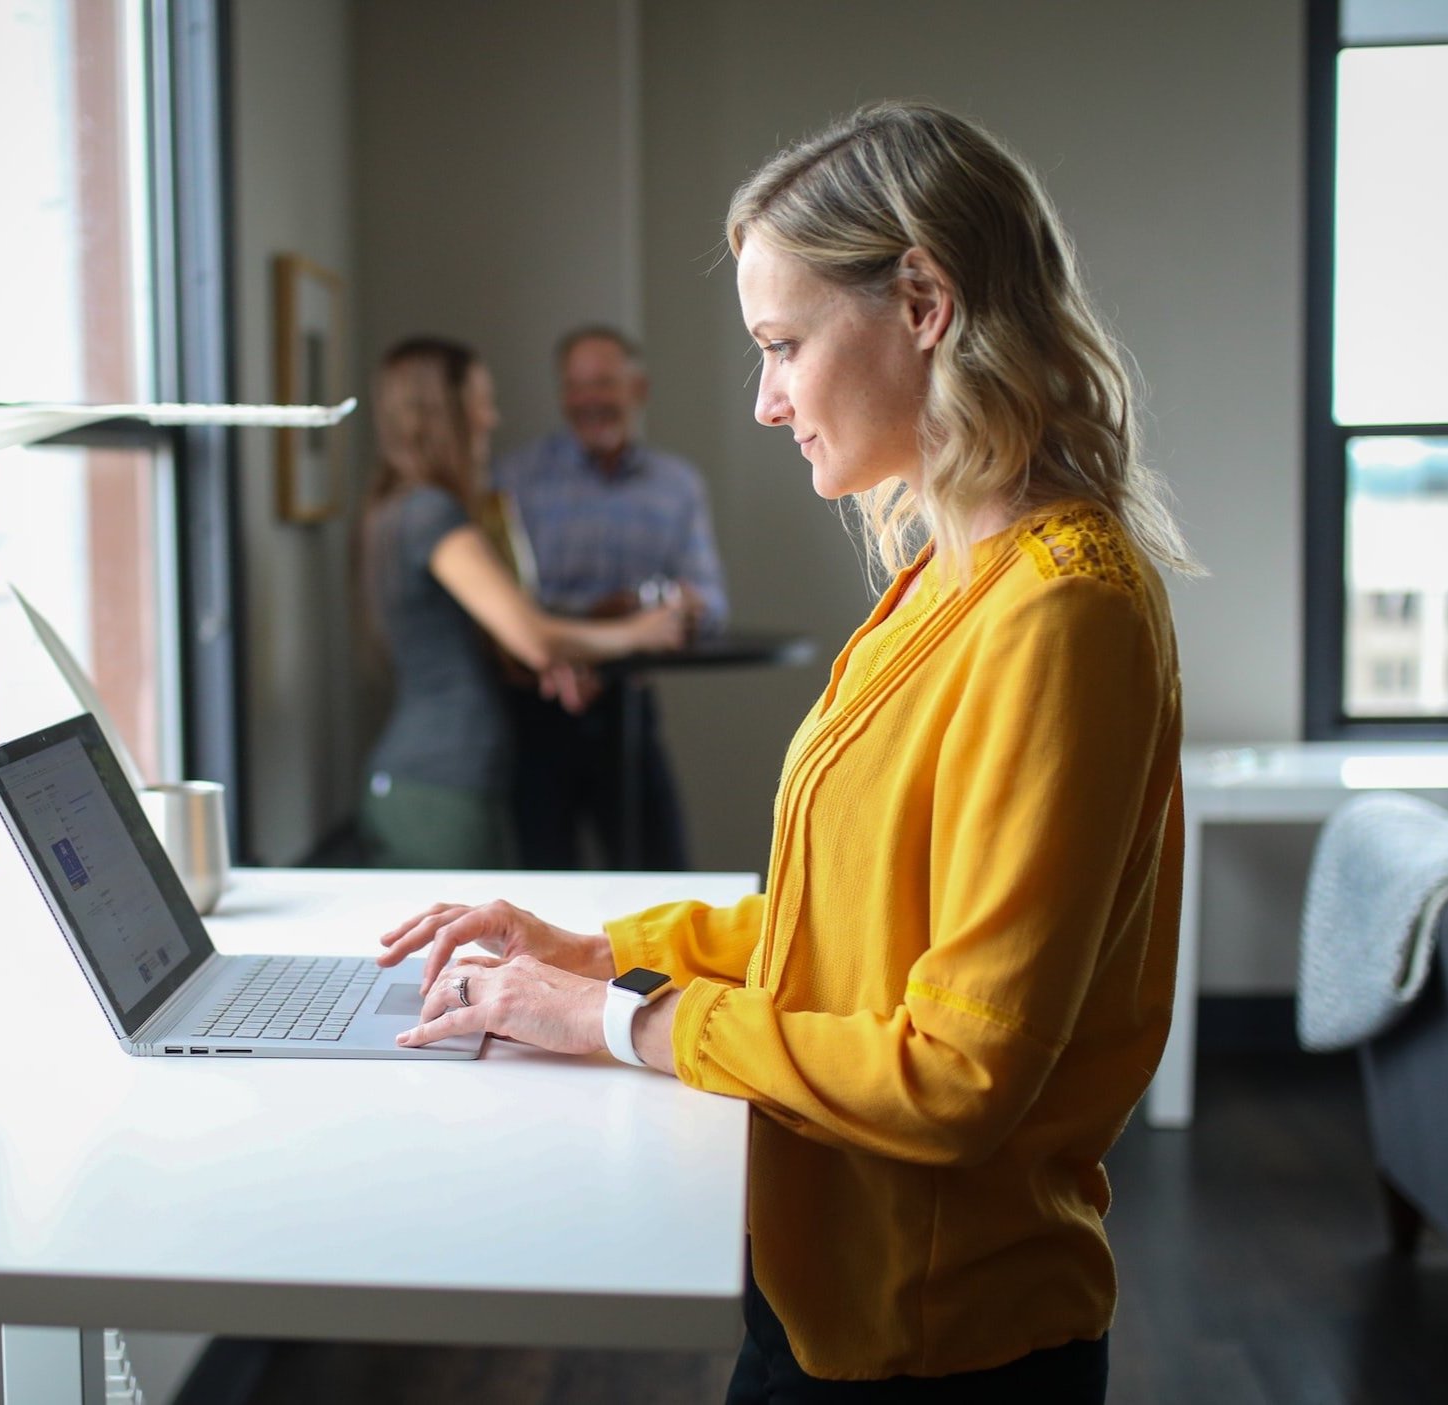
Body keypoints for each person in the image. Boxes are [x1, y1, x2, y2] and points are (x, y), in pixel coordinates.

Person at [377, 101, 1199, 1401]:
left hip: (941, 1342)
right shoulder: (945, 578)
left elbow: (956, 1072)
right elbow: (852, 934)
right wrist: (605, 953)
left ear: (922, 299)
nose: (765, 401)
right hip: (823, 1288)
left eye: (783, 346)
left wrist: (620, 1021)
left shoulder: (1061, 613)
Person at [356, 336, 687, 871]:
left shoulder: (402, 507)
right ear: (446, 413)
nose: (492, 418)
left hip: (430, 781)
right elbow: (532, 634)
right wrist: (641, 632)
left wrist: (546, 666)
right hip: (441, 785)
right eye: (480, 402)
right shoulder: (432, 514)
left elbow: (489, 642)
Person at [493, 326, 730, 871]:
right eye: (576, 387)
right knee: (544, 885)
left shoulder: (677, 484)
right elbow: (506, 608)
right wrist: (601, 621)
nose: (589, 401)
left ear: (638, 389)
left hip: (629, 711)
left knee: (663, 877)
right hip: (538, 711)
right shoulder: (513, 479)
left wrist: (683, 610)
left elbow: (713, 603)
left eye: (603, 383)